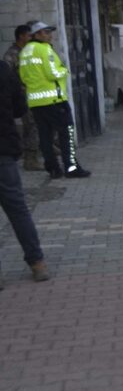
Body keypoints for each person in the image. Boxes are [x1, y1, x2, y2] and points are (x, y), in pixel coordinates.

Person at [0, 52, 50, 287]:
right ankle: (37, 263)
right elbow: (20, 108)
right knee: (18, 209)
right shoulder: (4, 70)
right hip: (4, 150)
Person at [18, 22, 90, 179]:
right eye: (45, 32)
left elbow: (23, 77)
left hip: (36, 103)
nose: (50, 35)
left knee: (45, 137)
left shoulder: (25, 51)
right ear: (36, 35)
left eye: (50, 32)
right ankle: (71, 168)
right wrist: (64, 70)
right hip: (54, 101)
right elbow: (52, 73)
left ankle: (53, 169)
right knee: (67, 134)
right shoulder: (44, 49)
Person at [4, 24, 43, 171]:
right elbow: (9, 76)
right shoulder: (11, 54)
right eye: (29, 35)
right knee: (31, 125)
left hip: (34, 93)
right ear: (21, 36)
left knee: (39, 123)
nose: (31, 38)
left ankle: (40, 150)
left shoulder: (28, 51)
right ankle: (30, 159)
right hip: (22, 95)